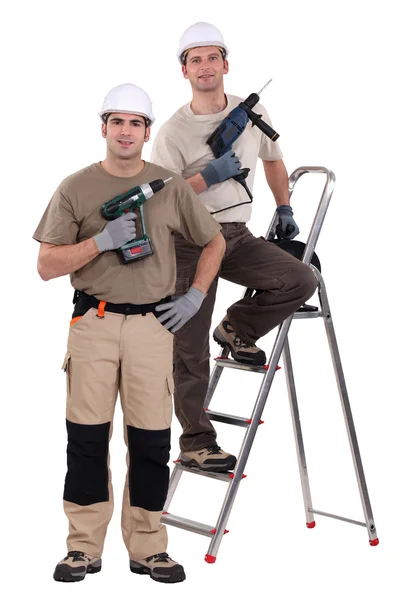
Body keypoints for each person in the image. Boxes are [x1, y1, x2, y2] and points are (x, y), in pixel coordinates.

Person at [33, 82, 225, 584]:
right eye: (116, 121)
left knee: (150, 442)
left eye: (135, 123)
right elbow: (46, 265)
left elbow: (214, 241)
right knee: (87, 440)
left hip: (152, 327)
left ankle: (149, 548)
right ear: (104, 128)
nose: (125, 131)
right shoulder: (75, 187)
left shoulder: (170, 186)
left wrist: (195, 296)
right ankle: (82, 548)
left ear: (146, 131)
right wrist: (99, 241)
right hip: (92, 323)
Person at [150, 22, 317, 474]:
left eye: (212, 58)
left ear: (226, 64)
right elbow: (160, 200)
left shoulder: (250, 113)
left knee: (301, 279)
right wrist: (207, 177)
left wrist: (284, 207)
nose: (205, 67)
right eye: (195, 60)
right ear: (184, 71)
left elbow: (274, 159)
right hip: (187, 242)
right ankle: (197, 443)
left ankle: (236, 328)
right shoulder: (172, 132)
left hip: (236, 236)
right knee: (188, 348)